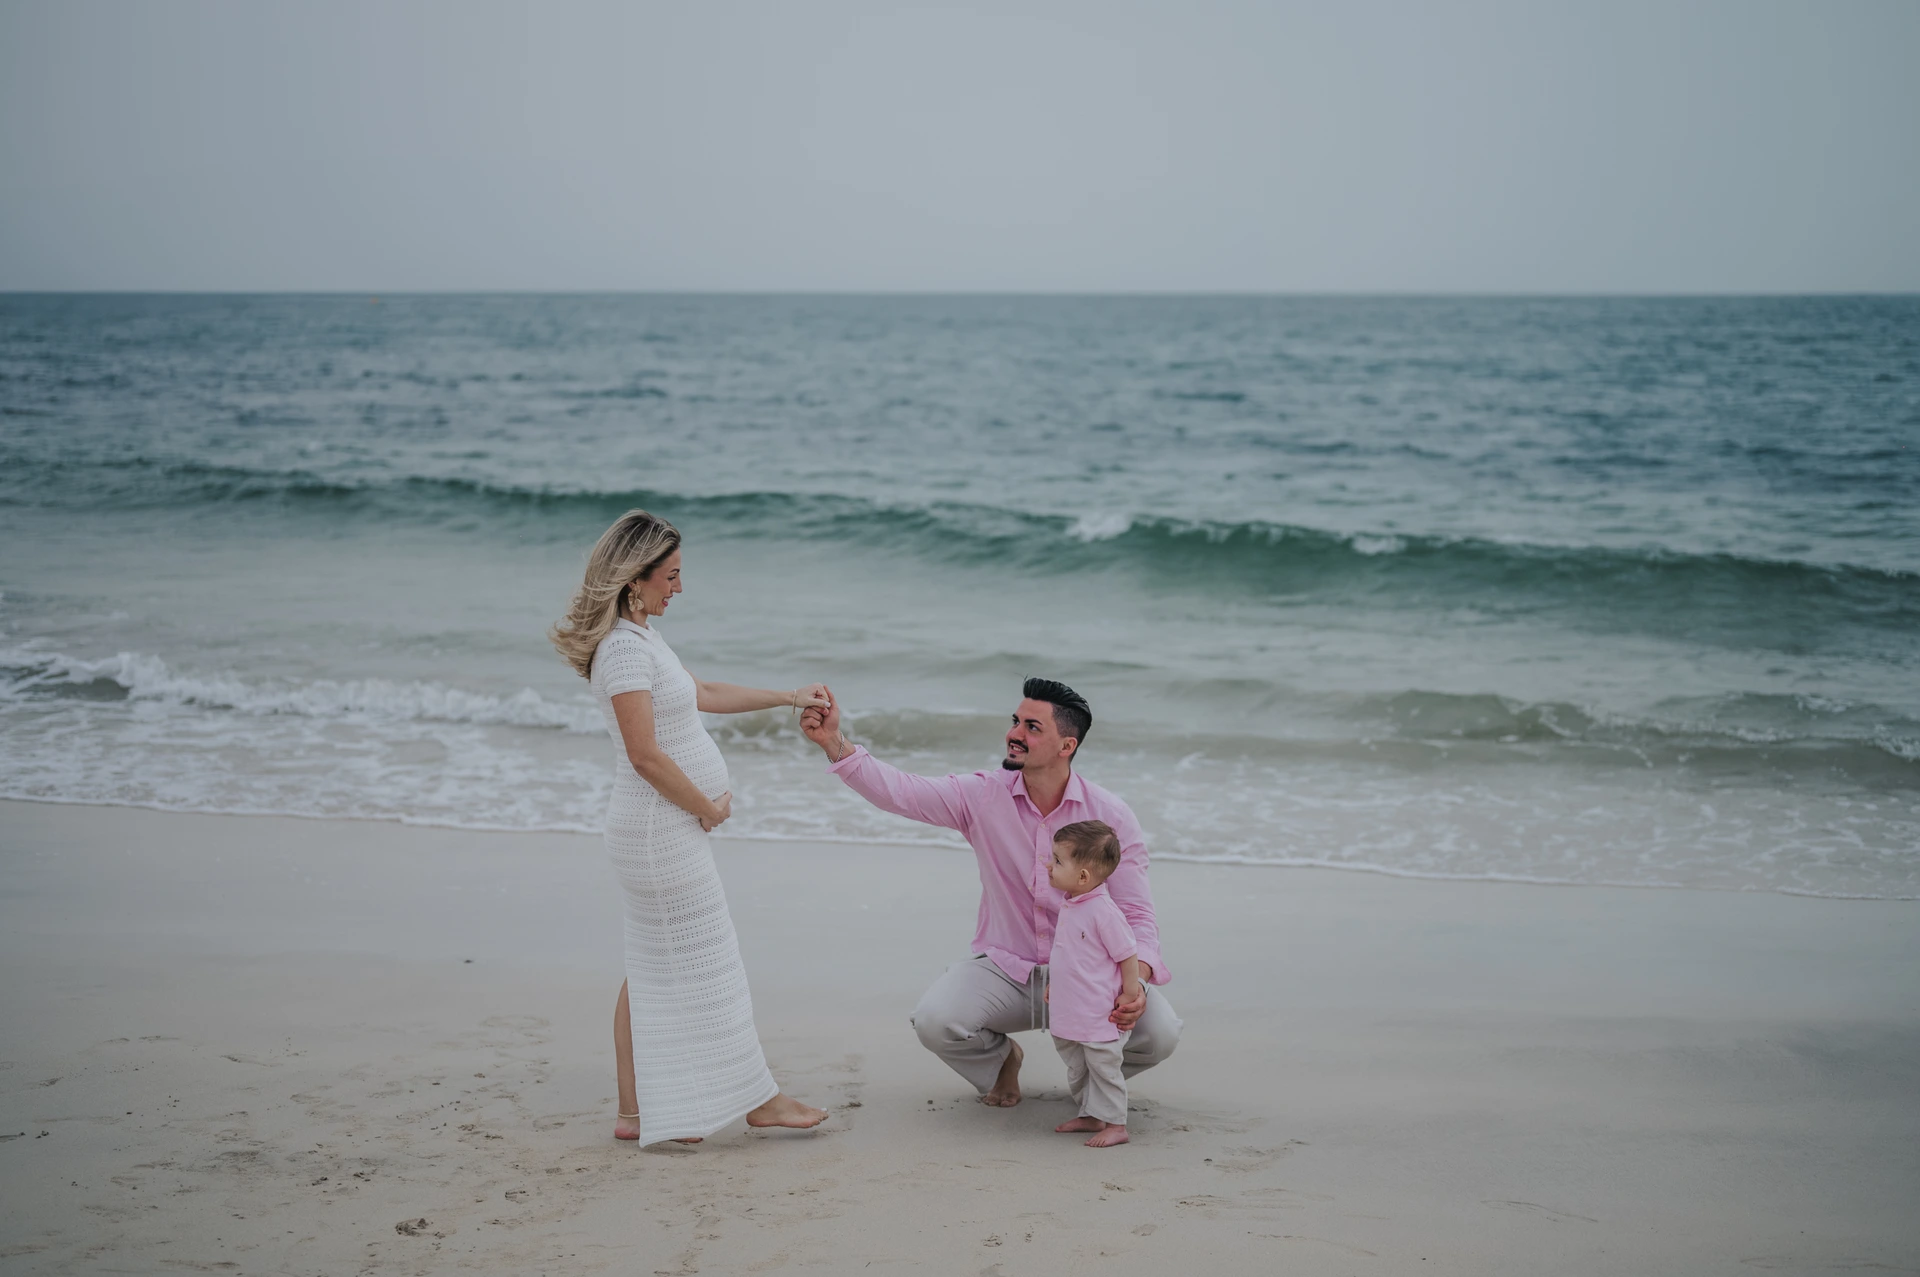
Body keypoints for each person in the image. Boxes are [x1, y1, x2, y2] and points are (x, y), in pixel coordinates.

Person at [551, 508, 829, 1146]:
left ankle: (635, 1113)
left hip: (658, 830)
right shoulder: (622, 651)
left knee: (648, 967)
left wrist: (790, 697)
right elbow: (645, 755)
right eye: (671, 576)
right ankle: (760, 1101)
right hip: (656, 833)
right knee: (712, 963)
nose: (679, 588)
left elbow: (702, 691)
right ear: (634, 578)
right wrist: (705, 805)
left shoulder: (640, 637)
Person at [799, 677, 1179, 1107]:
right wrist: (834, 743)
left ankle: (1093, 1080)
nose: (1014, 734)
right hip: (1007, 971)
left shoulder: (1110, 816)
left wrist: (1138, 983)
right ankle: (1001, 1062)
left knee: (1159, 1034)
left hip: (1092, 976)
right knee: (936, 1021)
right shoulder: (981, 794)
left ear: (1066, 746)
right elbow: (901, 792)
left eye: (1033, 727)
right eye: (1016, 721)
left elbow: (1137, 914)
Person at [1043, 820, 1143, 1148]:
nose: (1049, 865)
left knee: (1103, 1066)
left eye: (1058, 861)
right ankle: (1090, 1114)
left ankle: (1116, 1124)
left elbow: (1127, 953)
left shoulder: (1103, 911)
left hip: (1099, 1011)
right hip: (1071, 1008)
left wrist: (1130, 992)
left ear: (1083, 876)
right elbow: (1069, 955)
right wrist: (1054, 985)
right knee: (1077, 1066)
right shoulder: (1073, 903)